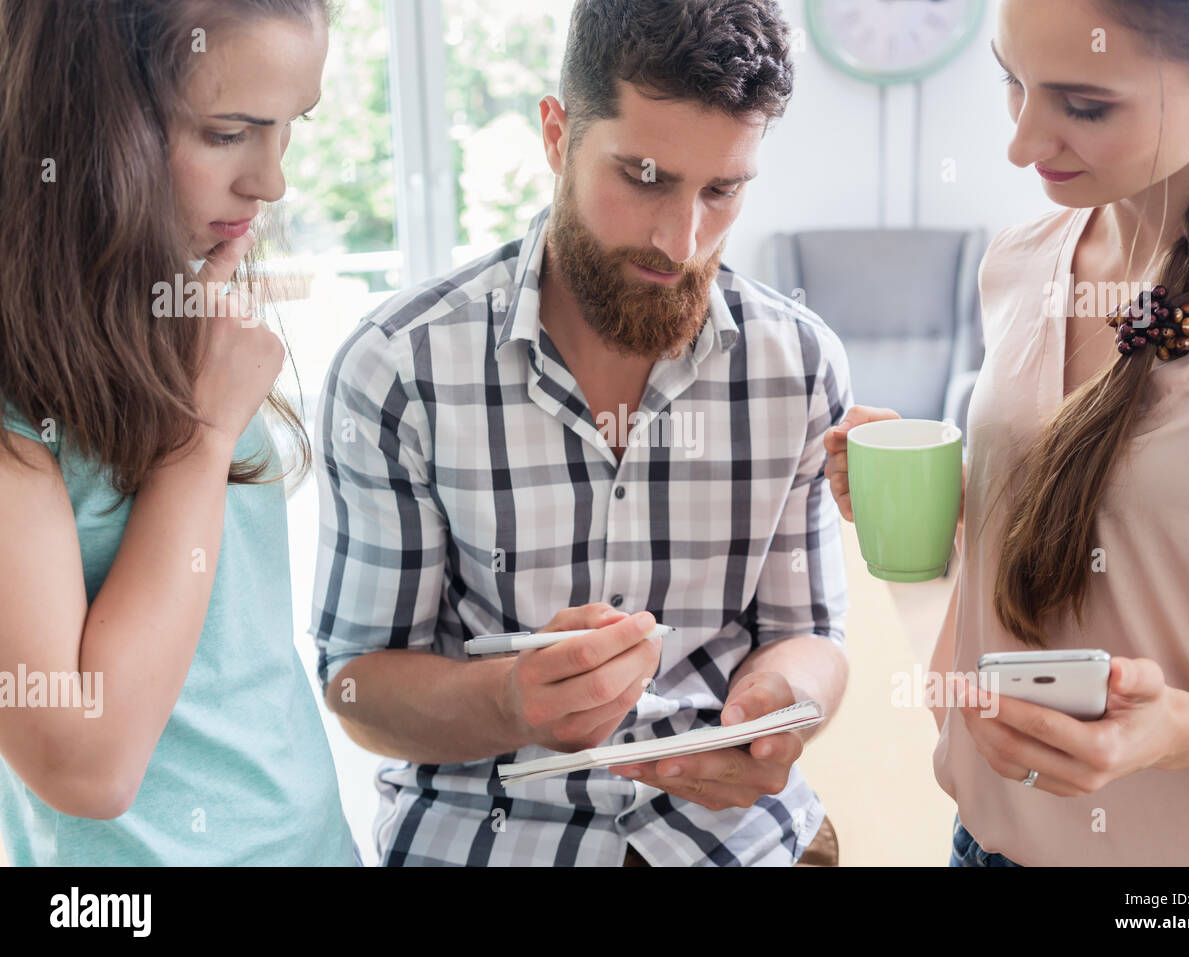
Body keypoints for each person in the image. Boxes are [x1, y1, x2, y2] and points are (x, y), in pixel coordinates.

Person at [311, 0, 851, 866]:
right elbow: (355, 682)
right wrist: (511, 701)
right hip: (489, 837)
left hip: (733, 840)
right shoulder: (399, 369)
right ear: (558, 136)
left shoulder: (799, 362)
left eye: (722, 190)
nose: (682, 241)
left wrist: (779, 708)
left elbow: (813, 634)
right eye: (643, 177)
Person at [826, 0, 1189, 866]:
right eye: (1013, 82)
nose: (1020, 143)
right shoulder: (1020, 261)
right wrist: (954, 501)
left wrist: (1185, 730)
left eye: (1084, 106)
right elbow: (1137, 543)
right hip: (984, 843)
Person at [0, 0, 355, 865]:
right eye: (229, 132)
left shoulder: (190, 314)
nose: (270, 183)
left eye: (288, 129)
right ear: (91, 119)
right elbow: (85, 766)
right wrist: (200, 437)